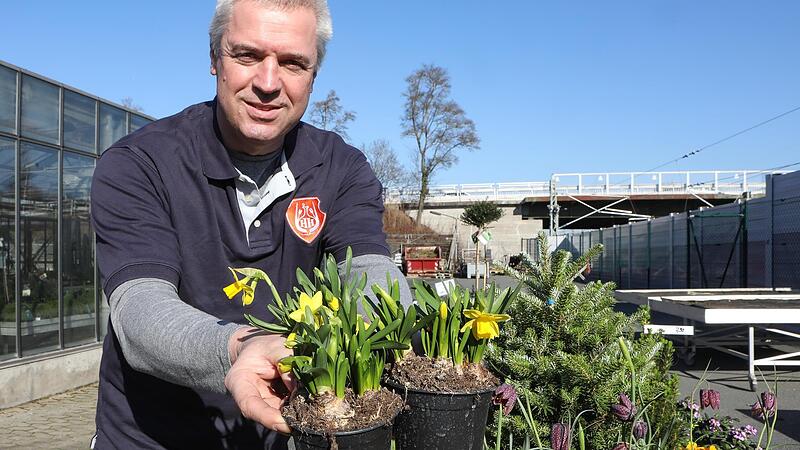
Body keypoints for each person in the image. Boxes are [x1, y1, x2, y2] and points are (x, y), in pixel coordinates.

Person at [90, 0, 411, 448]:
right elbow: (139, 312)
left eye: (293, 63)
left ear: (314, 76)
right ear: (213, 59)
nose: (267, 82)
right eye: (247, 55)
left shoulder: (342, 168)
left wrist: (374, 329)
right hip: (149, 439)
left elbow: (370, 273)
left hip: (280, 434)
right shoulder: (141, 164)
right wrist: (238, 349)